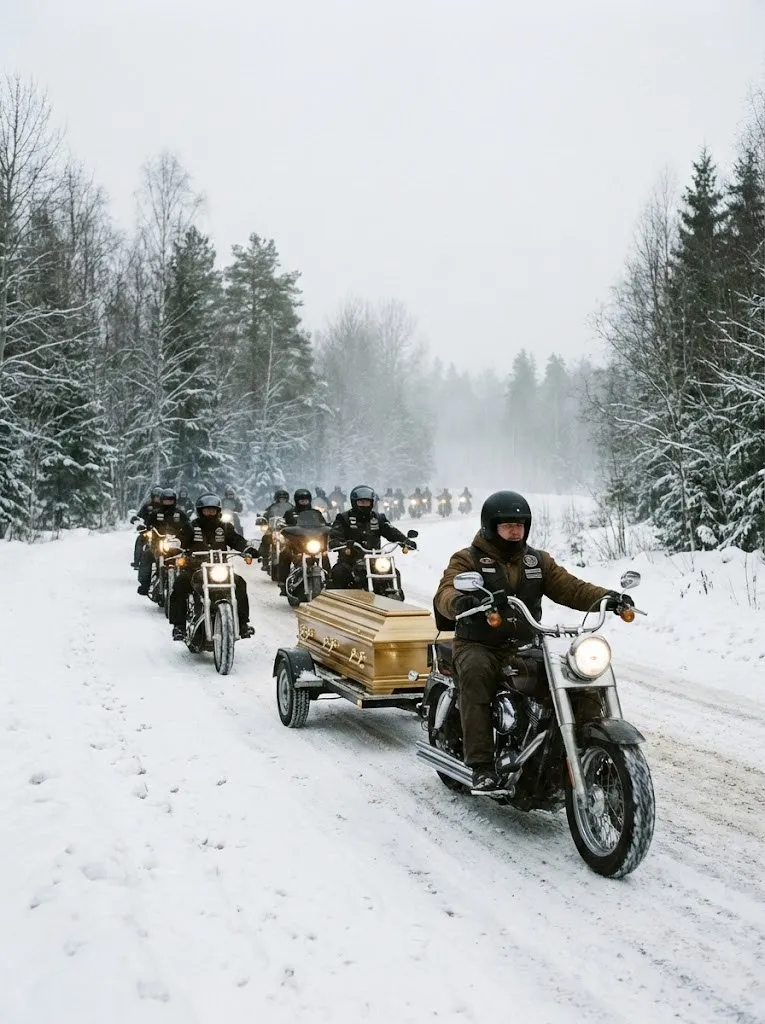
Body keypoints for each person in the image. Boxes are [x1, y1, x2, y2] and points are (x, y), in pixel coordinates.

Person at [434, 490, 634, 797]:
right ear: (491, 527)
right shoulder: (468, 558)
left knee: (580, 677)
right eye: (507, 525)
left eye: (520, 525)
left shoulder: (537, 561)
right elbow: (446, 591)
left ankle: (592, 753)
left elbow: (572, 588)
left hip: (526, 644)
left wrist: (608, 598)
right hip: (480, 644)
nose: (515, 531)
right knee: (476, 674)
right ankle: (483, 765)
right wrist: (461, 601)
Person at [168, 493, 257, 641]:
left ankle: (242, 624)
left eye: (213, 510)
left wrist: (247, 549)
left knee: (240, 584)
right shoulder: (191, 526)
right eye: (206, 510)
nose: (210, 513)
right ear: (200, 511)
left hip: (219, 569)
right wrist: (175, 546)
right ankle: (179, 627)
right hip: (195, 570)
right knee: (180, 584)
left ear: (218, 511)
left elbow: (236, 540)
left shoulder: (225, 527)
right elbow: (180, 539)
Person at [328, 485, 416, 589]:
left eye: (367, 502)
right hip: (350, 560)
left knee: (393, 572)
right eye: (361, 502)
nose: (364, 505)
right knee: (339, 573)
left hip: (375, 561)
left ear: (372, 503)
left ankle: (396, 597)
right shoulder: (343, 518)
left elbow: (391, 531)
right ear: (354, 502)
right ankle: (338, 603)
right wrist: (342, 544)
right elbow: (334, 536)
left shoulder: (378, 518)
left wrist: (404, 540)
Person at [137, 488, 192, 596]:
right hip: (158, 543)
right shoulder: (155, 513)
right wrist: (144, 529)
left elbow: (188, 527)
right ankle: (145, 585)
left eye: (171, 500)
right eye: (166, 500)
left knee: (188, 561)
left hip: (176, 545)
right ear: (162, 500)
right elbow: (147, 526)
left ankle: (190, 590)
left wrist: (187, 536)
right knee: (147, 554)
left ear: (174, 501)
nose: (168, 502)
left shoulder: (180, 514)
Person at [279, 489, 328, 592]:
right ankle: (283, 581)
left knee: (324, 555)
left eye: (306, 500)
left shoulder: (316, 513)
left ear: (309, 500)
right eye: (301, 501)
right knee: (284, 553)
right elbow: (283, 525)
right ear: (297, 501)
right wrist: (284, 528)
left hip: (313, 542)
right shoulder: (290, 513)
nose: (304, 502)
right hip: (296, 543)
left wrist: (329, 528)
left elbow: (324, 524)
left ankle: (330, 579)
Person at [259, 489, 293, 572]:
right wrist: (264, 522)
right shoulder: (271, 508)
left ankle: (297, 561)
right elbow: (265, 517)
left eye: (284, 499)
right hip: (273, 530)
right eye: (281, 498)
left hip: (286, 531)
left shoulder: (291, 508)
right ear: (277, 499)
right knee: (265, 539)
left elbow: (295, 517)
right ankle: (265, 561)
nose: (282, 500)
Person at [130, 484, 163, 568]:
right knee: (140, 540)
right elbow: (140, 516)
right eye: (156, 497)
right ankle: (137, 562)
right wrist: (136, 520)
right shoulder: (147, 506)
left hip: (162, 532)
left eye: (159, 497)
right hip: (148, 530)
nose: (157, 499)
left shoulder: (165, 507)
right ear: (152, 497)